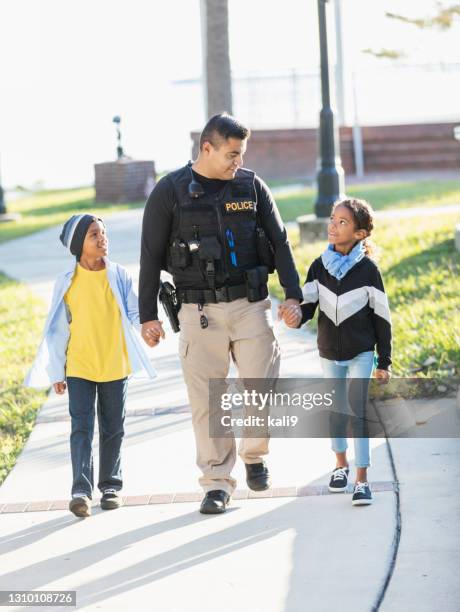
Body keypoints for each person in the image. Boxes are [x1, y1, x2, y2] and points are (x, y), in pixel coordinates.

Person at [139, 113, 303, 514]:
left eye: (242, 153)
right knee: (207, 402)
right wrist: (148, 316)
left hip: (251, 305)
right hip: (198, 311)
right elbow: (148, 257)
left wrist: (294, 296)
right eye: (232, 153)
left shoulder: (251, 185)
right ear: (206, 148)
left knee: (260, 385)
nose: (238, 162)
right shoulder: (169, 192)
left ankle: (254, 454)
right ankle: (216, 482)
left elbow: (280, 243)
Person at [24, 214, 156, 517]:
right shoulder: (67, 283)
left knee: (113, 428)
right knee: (81, 428)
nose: (102, 239)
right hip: (80, 366)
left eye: (103, 233)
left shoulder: (119, 275)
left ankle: (110, 487)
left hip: (115, 363)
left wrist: (149, 327)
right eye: (94, 235)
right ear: (78, 245)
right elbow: (57, 330)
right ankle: (80, 491)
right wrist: (57, 371)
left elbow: (135, 311)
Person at [280, 198, 392, 506]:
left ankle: (362, 479)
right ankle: (340, 465)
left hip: (361, 353)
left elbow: (382, 318)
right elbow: (308, 308)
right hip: (329, 352)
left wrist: (385, 360)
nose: (332, 225)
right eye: (332, 219)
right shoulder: (319, 267)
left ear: (359, 234)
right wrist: (295, 317)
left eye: (342, 222)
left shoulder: (368, 271)